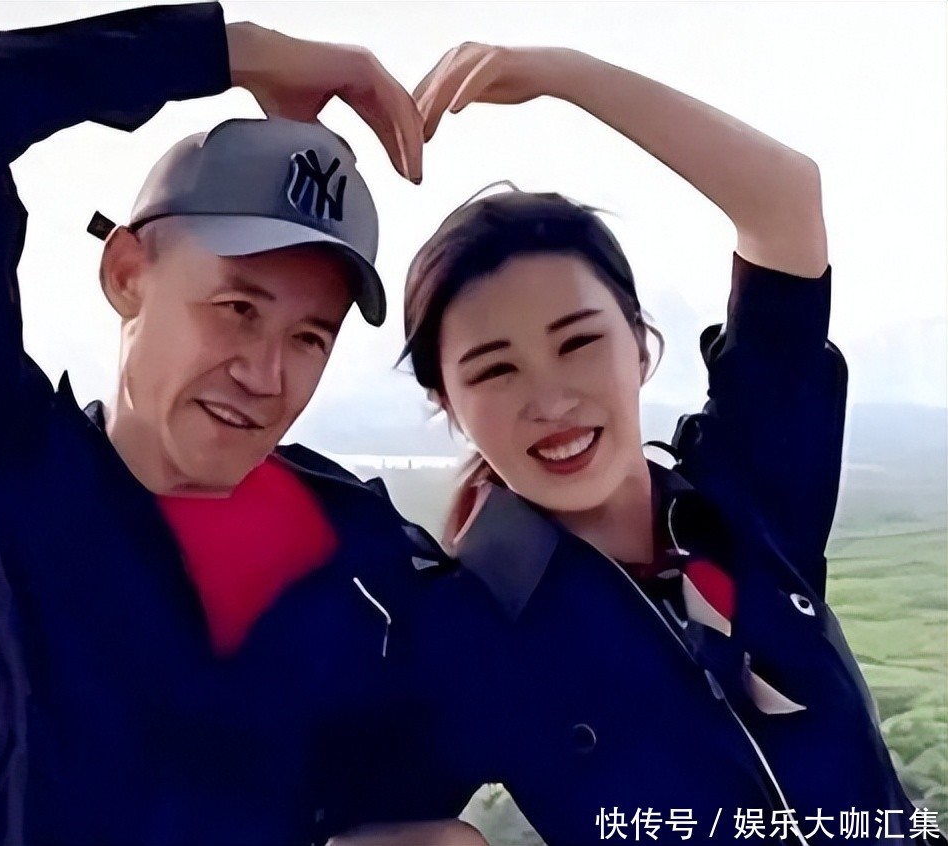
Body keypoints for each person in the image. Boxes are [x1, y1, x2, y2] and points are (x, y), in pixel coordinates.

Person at [0, 4, 473, 845]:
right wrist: (238, 51)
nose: (265, 375)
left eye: (310, 337)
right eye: (237, 308)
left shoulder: (351, 558)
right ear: (126, 273)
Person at [385, 42, 946, 845]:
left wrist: (562, 74)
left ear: (641, 346)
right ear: (449, 404)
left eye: (579, 342)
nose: (552, 401)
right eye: (496, 370)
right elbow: (366, 819)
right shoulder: (471, 629)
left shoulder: (745, 492)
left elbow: (785, 202)